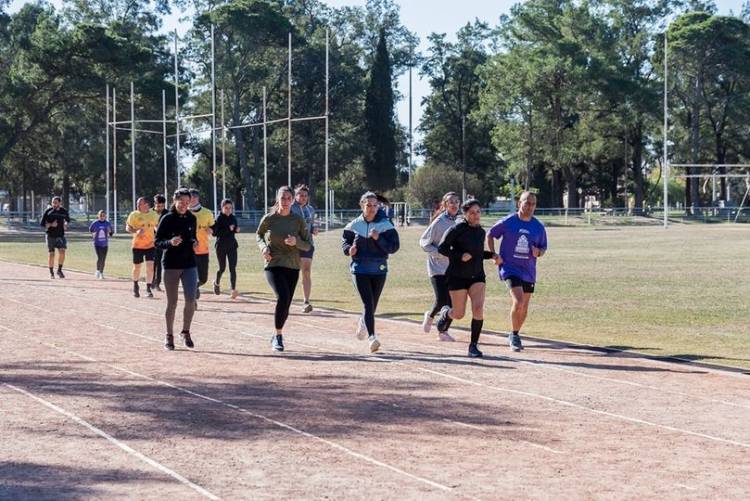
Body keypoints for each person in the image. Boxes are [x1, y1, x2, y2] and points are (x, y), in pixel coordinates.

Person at [435, 199, 500, 358]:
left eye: (478, 212)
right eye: (472, 212)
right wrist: (459, 256)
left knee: (478, 308)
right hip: (457, 276)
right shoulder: (457, 229)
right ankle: (446, 314)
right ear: (465, 214)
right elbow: (442, 248)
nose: (476, 215)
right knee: (459, 314)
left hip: (477, 276)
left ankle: (473, 346)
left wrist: (492, 255)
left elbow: (477, 254)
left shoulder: (480, 232)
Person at [487, 191, 548, 352]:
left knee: (525, 307)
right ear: (518, 203)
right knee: (519, 301)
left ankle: (516, 332)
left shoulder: (538, 227)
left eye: (533, 204)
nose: (530, 206)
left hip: (528, 270)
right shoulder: (509, 222)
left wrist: (538, 253)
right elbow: (491, 234)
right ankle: (514, 335)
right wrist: (494, 255)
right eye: (527, 202)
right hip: (510, 267)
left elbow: (543, 248)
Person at [342, 192, 400, 353]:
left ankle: (363, 321)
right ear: (362, 206)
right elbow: (345, 243)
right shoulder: (353, 225)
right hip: (359, 269)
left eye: (375, 205)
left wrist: (378, 239)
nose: (372, 208)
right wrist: (349, 250)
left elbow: (394, 247)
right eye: (369, 205)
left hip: (379, 269)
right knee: (368, 303)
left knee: (372, 305)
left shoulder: (385, 225)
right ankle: (372, 337)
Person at [257, 186, 311, 352]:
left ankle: (275, 334)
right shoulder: (270, 218)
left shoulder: (298, 220)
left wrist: (296, 243)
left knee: (286, 303)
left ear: (292, 200)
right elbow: (259, 235)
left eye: (289, 198)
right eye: (283, 198)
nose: (286, 201)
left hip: (293, 265)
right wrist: (264, 248)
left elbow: (307, 244)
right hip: (273, 264)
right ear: (277, 200)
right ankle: (278, 336)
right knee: (283, 296)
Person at [155, 188, 198, 350]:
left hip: (189, 264)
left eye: (187, 203)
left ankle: (185, 331)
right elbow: (157, 241)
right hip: (171, 264)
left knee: (190, 300)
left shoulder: (192, 218)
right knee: (172, 303)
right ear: (175, 201)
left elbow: (192, 236)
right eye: (182, 202)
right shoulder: (166, 219)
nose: (184, 206)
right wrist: (169, 242)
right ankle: (169, 335)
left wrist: (194, 242)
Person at [419, 192, 460, 341]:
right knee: (442, 299)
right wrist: (439, 254)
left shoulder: (461, 221)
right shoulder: (439, 222)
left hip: (453, 268)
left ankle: (443, 331)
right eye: (451, 202)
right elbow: (424, 242)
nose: (454, 204)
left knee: (453, 302)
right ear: (444, 205)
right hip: (436, 267)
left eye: (457, 201)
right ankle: (430, 316)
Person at [290, 184, 318, 313]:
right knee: (291, 273)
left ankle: (306, 301)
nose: (303, 197)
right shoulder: (290, 208)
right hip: (293, 244)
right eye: (300, 195)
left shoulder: (311, 209)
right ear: (295, 196)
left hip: (307, 244)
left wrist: (314, 229)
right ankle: (285, 298)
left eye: (305, 195)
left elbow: (310, 225)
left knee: (306, 271)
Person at [126, 197, 160, 298]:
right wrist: (136, 231)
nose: (137, 205)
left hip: (150, 245)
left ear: (146, 205)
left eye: (140, 204)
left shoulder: (153, 214)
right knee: (137, 267)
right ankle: (135, 285)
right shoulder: (134, 215)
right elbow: (128, 227)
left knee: (150, 267)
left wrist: (159, 231)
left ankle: (148, 288)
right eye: (137, 204)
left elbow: (157, 225)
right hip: (137, 245)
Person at [189, 188, 215, 301]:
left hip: (203, 250)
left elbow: (214, 228)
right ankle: (192, 297)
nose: (192, 199)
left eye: (195, 196)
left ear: (198, 198)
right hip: (188, 251)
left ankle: (195, 286)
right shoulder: (184, 213)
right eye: (190, 197)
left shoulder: (207, 213)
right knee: (191, 275)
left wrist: (212, 230)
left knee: (203, 278)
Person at [212, 198, 240, 299]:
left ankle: (233, 289)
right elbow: (215, 233)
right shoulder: (219, 218)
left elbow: (235, 229)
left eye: (230, 208)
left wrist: (236, 230)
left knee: (233, 268)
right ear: (222, 208)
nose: (228, 210)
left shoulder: (233, 218)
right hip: (221, 247)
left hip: (232, 246)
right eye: (226, 208)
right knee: (222, 268)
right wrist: (228, 229)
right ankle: (216, 282)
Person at [40, 196, 70, 279]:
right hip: (50, 235)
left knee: (62, 252)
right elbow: (42, 224)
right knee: (51, 254)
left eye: (56, 202)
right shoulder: (48, 211)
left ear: (60, 203)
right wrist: (50, 225)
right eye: (53, 202)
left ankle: (59, 270)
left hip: (60, 235)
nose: (54, 204)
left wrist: (66, 224)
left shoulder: (64, 211)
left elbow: (68, 220)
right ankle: (51, 272)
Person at [151, 194, 169, 291]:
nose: (160, 208)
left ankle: (157, 283)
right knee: (151, 263)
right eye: (158, 206)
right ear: (154, 204)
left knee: (160, 262)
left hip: (162, 241)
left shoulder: (167, 213)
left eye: (162, 206)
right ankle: (151, 281)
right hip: (150, 241)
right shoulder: (149, 212)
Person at [89, 210, 113, 279]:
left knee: (103, 258)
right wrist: (94, 233)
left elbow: (111, 234)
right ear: (98, 216)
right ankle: (98, 271)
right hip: (97, 243)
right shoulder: (95, 223)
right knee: (100, 257)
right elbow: (91, 230)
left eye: (103, 216)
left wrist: (110, 231)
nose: (102, 217)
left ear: (105, 216)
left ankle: (101, 273)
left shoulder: (107, 223)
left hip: (105, 244)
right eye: (100, 216)